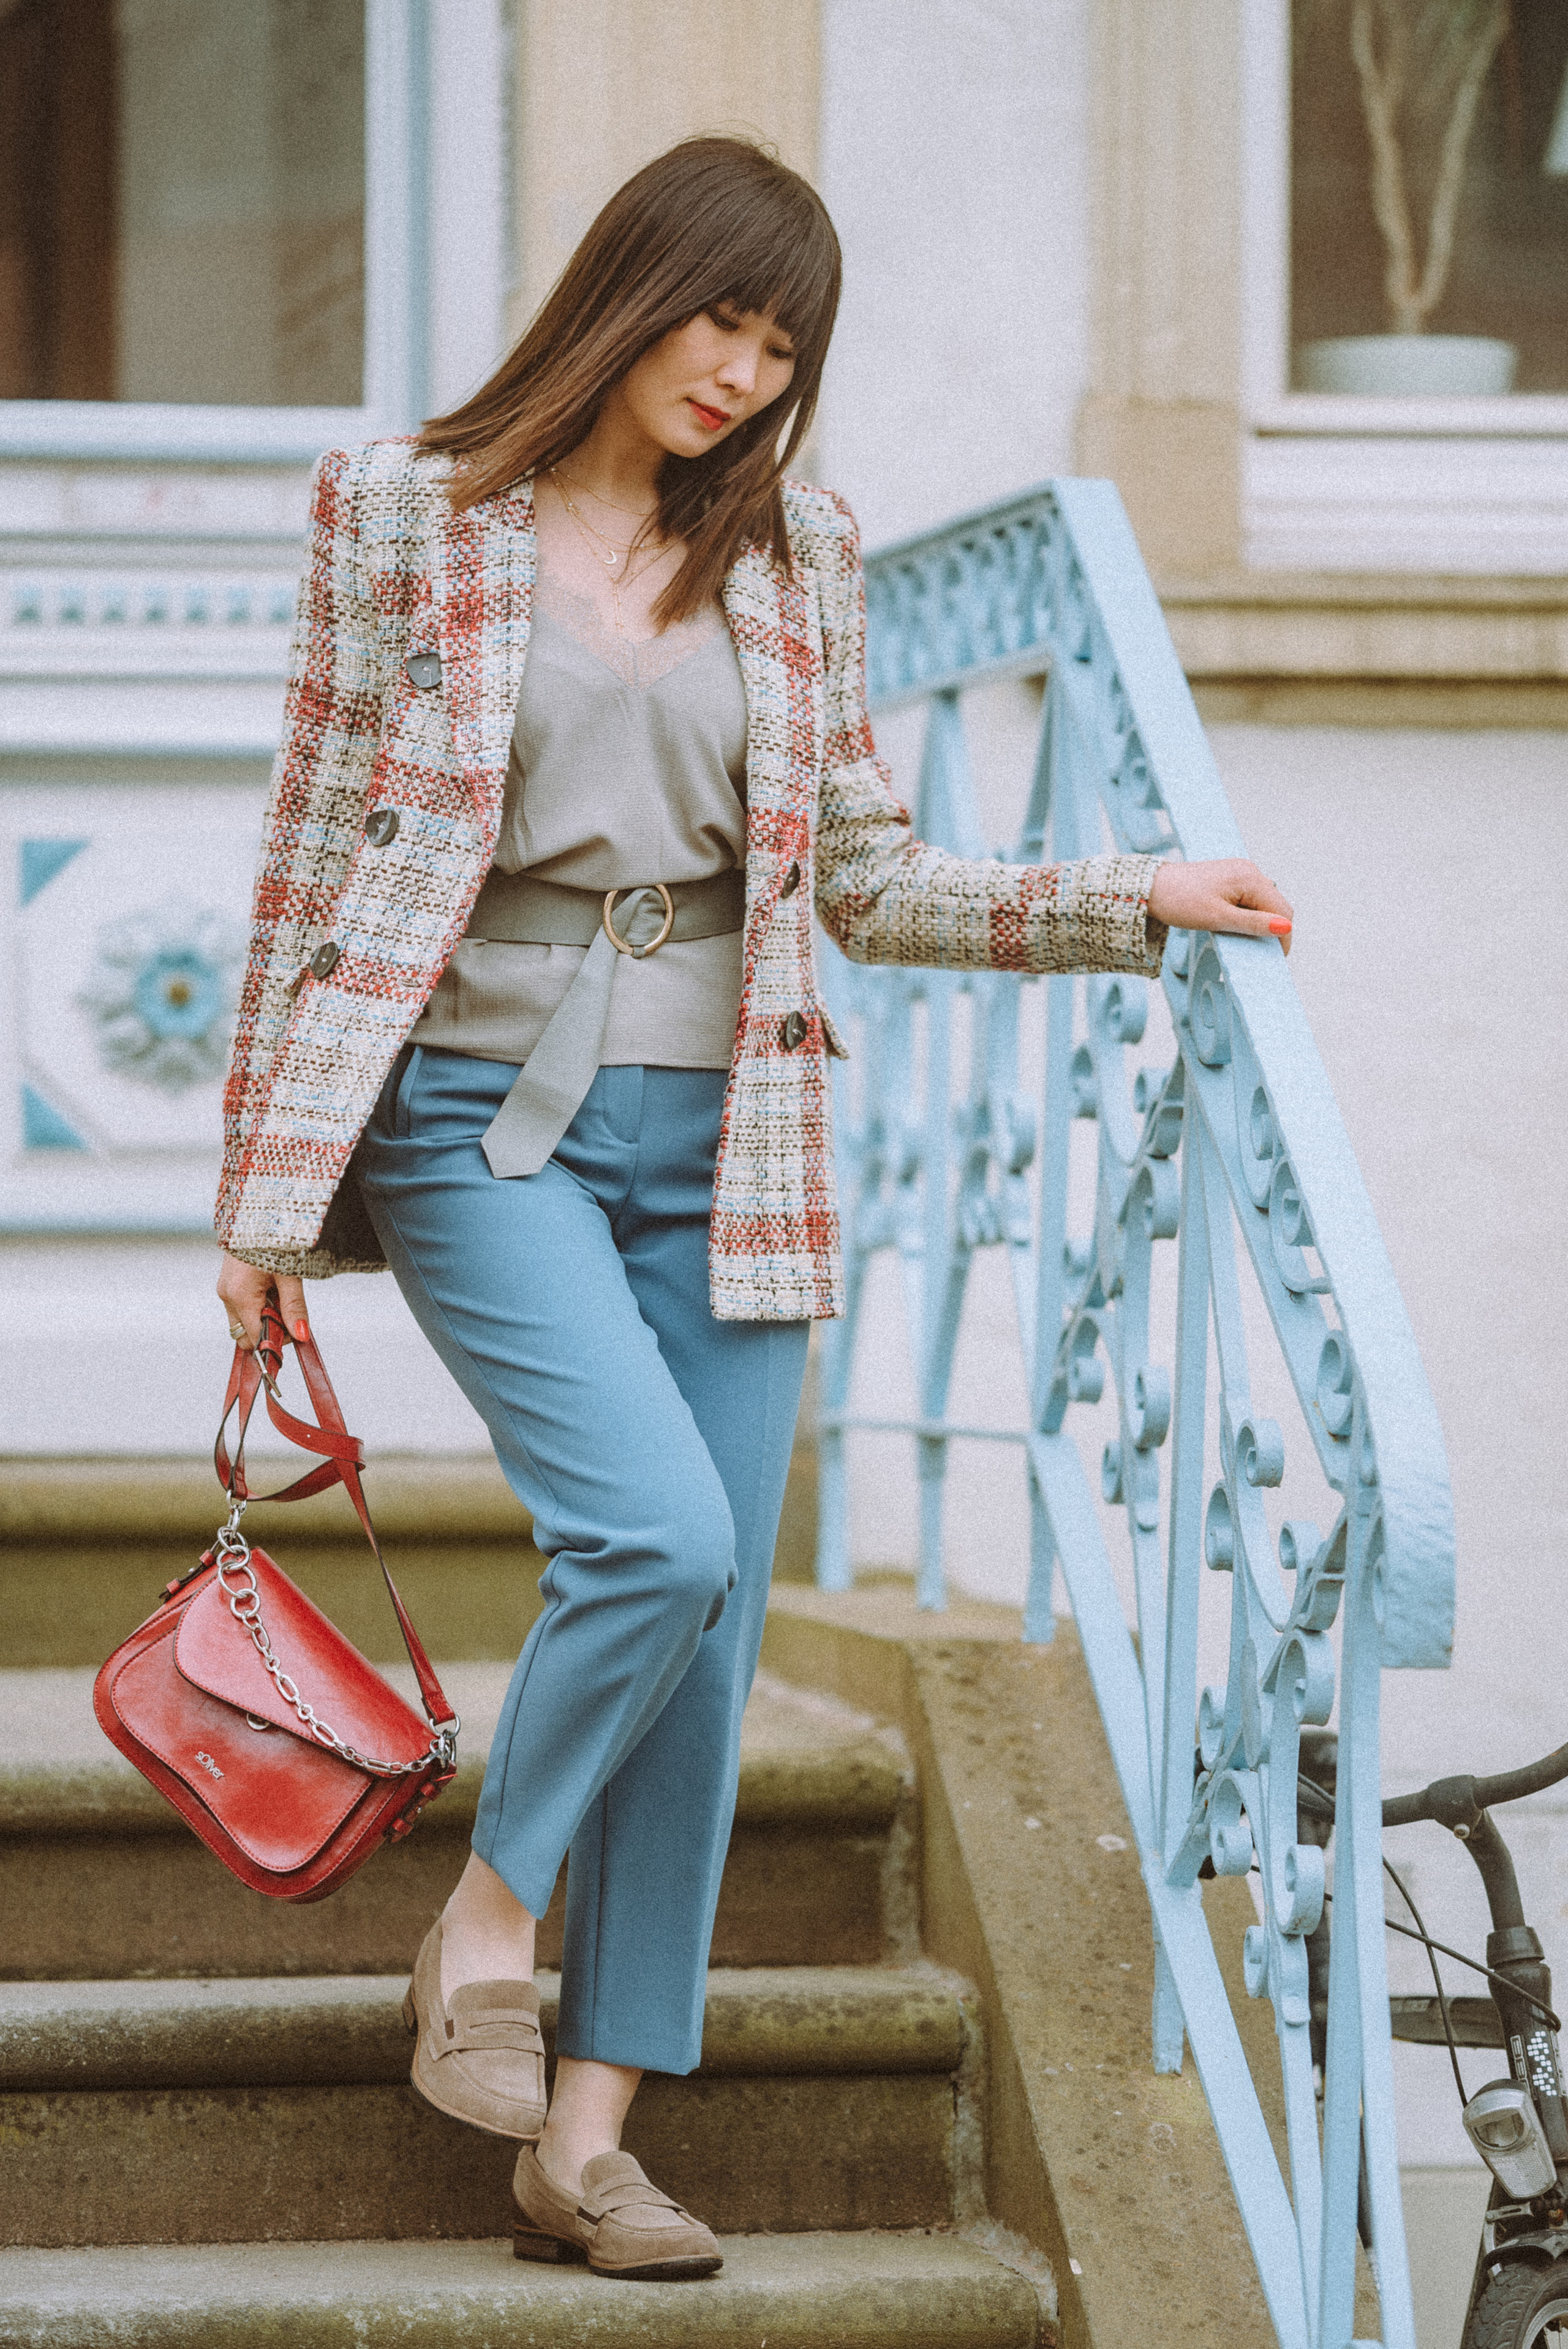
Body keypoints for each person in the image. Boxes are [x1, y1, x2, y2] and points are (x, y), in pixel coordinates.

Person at [214, 135, 1292, 2281]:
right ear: (632, 294)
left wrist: (1133, 897)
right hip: (472, 1116)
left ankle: (584, 2142)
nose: (740, 372)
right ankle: (492, 1925)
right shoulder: (405, 515)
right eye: (720, 318)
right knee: (663, 1542)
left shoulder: (800, 552)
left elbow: (867, 875)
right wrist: (256, 1193)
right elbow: (315, 847)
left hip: (732, 1142)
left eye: (782, 347)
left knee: (696, 1651)